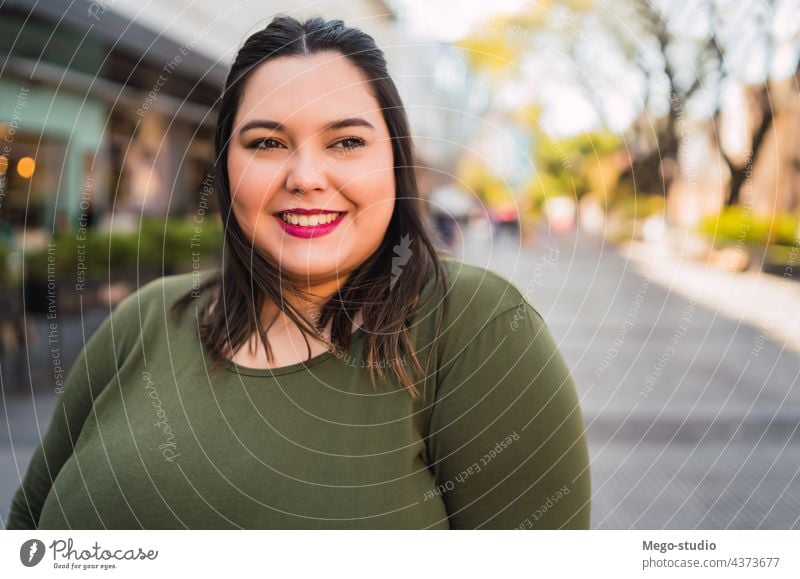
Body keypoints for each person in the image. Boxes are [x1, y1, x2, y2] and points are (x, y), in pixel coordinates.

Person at [5, 15, 590, 530]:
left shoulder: (478, 329)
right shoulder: (146, 317)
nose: (305, 176)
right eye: (266, 142)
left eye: (346, 142)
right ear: (227, 167)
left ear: (395, 160)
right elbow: (27, 531)